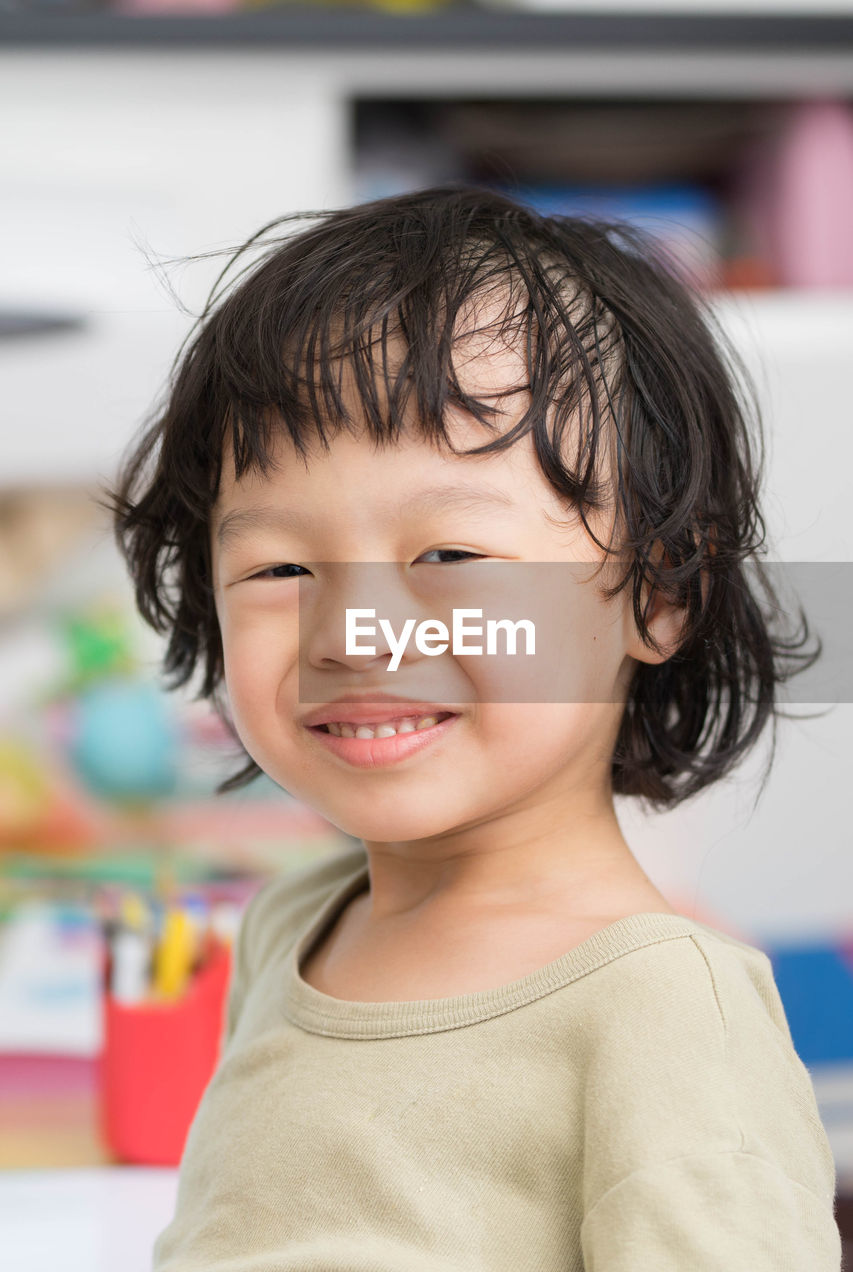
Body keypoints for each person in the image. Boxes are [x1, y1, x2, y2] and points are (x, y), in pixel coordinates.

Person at [107, 186, 842, 1270]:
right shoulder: (292, 926)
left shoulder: (665, 1010)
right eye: (280, 567)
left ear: (658, 590)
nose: (352, 634)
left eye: (447, 556)